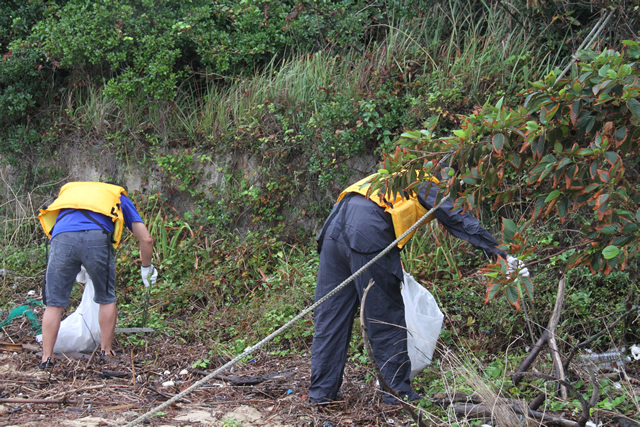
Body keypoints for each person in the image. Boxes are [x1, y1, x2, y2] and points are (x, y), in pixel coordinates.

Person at [309, 172, 528, 405]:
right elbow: (457, 219)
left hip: (333, 228)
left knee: (330, 315)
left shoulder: (399, 172)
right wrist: (500, 254)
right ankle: (396, 395)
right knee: (384, 316)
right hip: (367, 229)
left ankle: (321, 394)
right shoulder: (428, 181)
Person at [37, 181, 158, 370]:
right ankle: (106, 351)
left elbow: (61, 225)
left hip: (61, 238)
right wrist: (146, 267)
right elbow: (146, 239)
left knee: (54, 303)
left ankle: (47, 358)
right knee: (106, 298)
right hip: (96, 237)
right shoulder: (117, 196)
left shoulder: (70, 193)